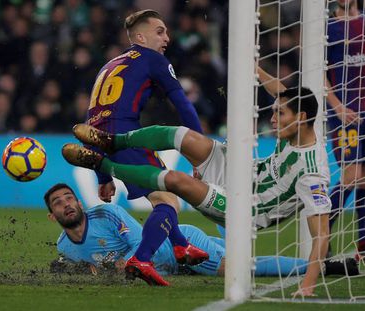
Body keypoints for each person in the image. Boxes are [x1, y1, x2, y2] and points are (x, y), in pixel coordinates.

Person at [62, 68, 331, 296]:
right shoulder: (302, 123)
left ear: (301, 118)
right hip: (243, 172)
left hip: (247, 207)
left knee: (177, 181)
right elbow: (282, 93)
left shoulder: (312, 174)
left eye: (279, 114)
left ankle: (101, 163)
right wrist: (256, 69)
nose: (272, 119)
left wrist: (307, 286)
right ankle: (113, 141)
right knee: (182, 135)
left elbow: (322, 234)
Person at [75, 9, 208, 286]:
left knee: (163, 193)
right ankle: (142, 258)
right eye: (160, 31)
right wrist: (201, 150)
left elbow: (94, 121)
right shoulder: (152, 59)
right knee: (168, 200)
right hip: (126, 134)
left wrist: (103, 175)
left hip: (100, 137)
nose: (167, 38)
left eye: (167, 32)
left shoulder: (110, 65)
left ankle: (181, 246)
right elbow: (182, 104)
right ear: (140, 37)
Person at [44, 183, 318, 280]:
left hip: (180, 245)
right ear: (51, 215)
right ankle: (225, 224)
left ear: (79, 202)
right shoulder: (63, 247)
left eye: (69, 198)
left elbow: (141, 243)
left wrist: (121, 263)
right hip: (176, 268)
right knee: (234, 256)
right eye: (58, 202)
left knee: (238, 270)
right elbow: (80, 267)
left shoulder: (106, 214)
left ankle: (319, 267)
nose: (66, 204)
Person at [326, 0, 365, 261]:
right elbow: (319, 72)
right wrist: (337, 106)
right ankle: (322, 227)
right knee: (352, 177)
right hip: (344, 114)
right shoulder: (328, 28)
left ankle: (362, 243)